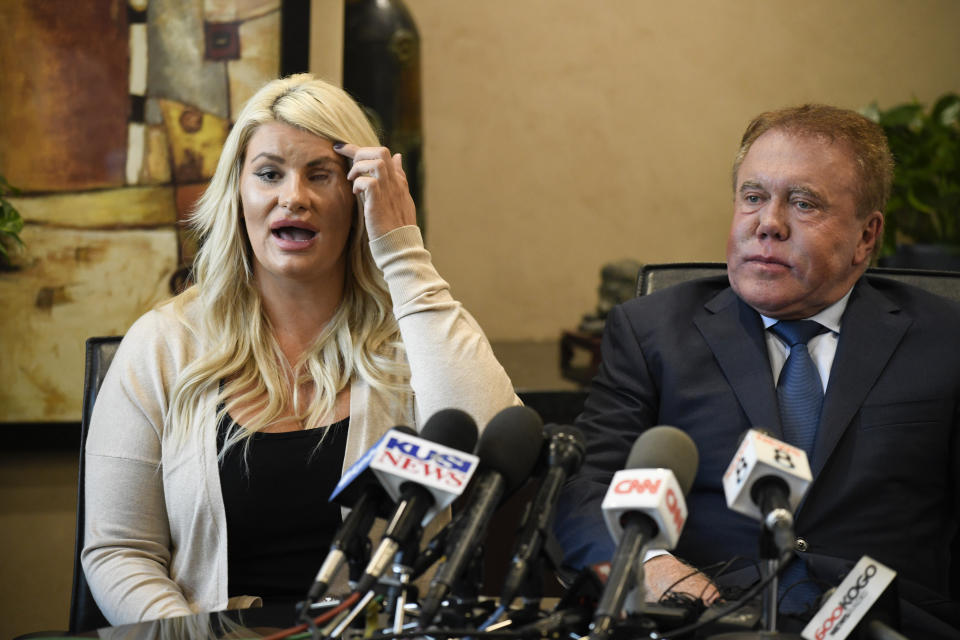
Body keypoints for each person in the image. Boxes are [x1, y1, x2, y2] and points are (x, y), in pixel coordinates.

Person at [82, 74, 519, 625]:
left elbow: (490, 457)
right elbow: (120, 552)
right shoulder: (163, 344)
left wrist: (403, 252)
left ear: (359, 195)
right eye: (269, 174)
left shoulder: (414, 337)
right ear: (237, 194)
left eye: (321, 175)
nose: (294, 197)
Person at [555, 104, 960, 637]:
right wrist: (653, 565)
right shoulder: (653, 333)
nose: (768, 224)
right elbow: (585, 489)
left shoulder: (943, 338)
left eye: (803, 203)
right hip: (712, 617)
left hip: (892, 624)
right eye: (753, 197)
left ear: (867, 236)